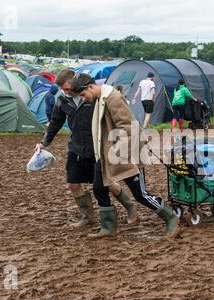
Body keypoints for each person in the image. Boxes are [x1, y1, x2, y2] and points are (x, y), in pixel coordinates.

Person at [71, 73, 179, 239]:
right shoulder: (100, 99)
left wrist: (116, 152)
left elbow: (129, 128)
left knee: (140, 195)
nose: (83, 99)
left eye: (83, 95)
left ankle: (171, 218)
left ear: (90, 87)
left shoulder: (113, 98)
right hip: (106, 155)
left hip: (127, 156)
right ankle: (108, 227)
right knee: (99, 188)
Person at [37, 69, 138, 229]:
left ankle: (130, 207)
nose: (66, 92)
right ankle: (88, 216)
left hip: (97, 147)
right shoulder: (62, 100)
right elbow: (56, 121)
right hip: (76, 147)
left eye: (68, 89)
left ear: (75, 83)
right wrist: (45, 142)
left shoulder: (94, 98)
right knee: (73, 183)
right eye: (63, 90)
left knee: (107, 183)